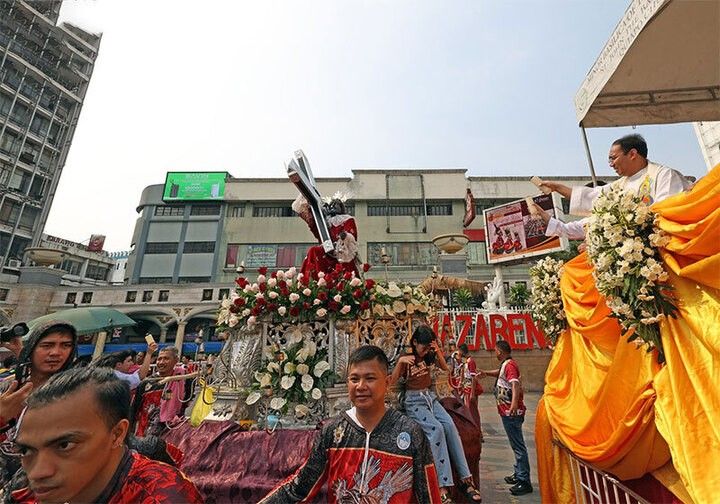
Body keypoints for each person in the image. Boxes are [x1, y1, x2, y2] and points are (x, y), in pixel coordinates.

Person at [260, 345, 442, 503]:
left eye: (370, 378)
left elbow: (429, 496)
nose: (361, 386)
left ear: (387, 382)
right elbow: (298, 489)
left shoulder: (410, 433)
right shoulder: (332, 432)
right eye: (354, 379)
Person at [8, 367, 203, 503]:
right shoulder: (24, 490)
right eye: (26, 450)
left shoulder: (160, 496)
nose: (37, 472)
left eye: (64, 445)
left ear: (117, 434)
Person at [390, 326, 482, 503]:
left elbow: (446, 368)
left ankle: (465, 478)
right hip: (414, 401)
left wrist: (436, 350)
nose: (425, 352)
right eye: (423, 347)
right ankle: (441, 485)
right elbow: (392, 383)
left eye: (428, 348)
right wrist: (400, 364)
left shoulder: (429, 356)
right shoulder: (406, 359)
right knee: (437, 430)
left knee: (450, 426)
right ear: (414, 342)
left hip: (430, 398)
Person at [538, 134, 691, 239]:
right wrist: (557, 188)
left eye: (613, 158)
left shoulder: (664, 175)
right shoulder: (619, 186)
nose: (611, 164)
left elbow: (668, 212)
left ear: (632, 154)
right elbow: (595, 201)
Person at [477, 340, 532, 496]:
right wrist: (486, 373)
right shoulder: (506, 365)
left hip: (511, 413)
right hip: (507, 412)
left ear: (500, 351)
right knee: (515, 445)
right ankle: (518, 472)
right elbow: (500, 373)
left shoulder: (510, 365)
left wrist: (513, 404)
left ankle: (524, 481)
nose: (495, 353)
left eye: (495, 350)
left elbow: (515, 384)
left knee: (518, 446)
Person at [292, 194, 359, 280]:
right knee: (314, 250)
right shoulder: (325, 222)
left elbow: (352, 235)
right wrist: (310, 208)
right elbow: (318, 233)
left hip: (342, 252)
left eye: (336, 205)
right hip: (327, 249)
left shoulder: (348, 219)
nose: (333, 207)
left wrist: (344, 237)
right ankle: (310, 280)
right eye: (331, 205)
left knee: (317, 251)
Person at [131, 346, 188, 437]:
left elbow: (186, 403)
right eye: (159, 359)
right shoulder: (146, 383)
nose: (161, 362)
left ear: (176, 360)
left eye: (166, 359)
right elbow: (135, 409)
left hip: (171, 431)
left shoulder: (182, 379)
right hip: (144, 433)